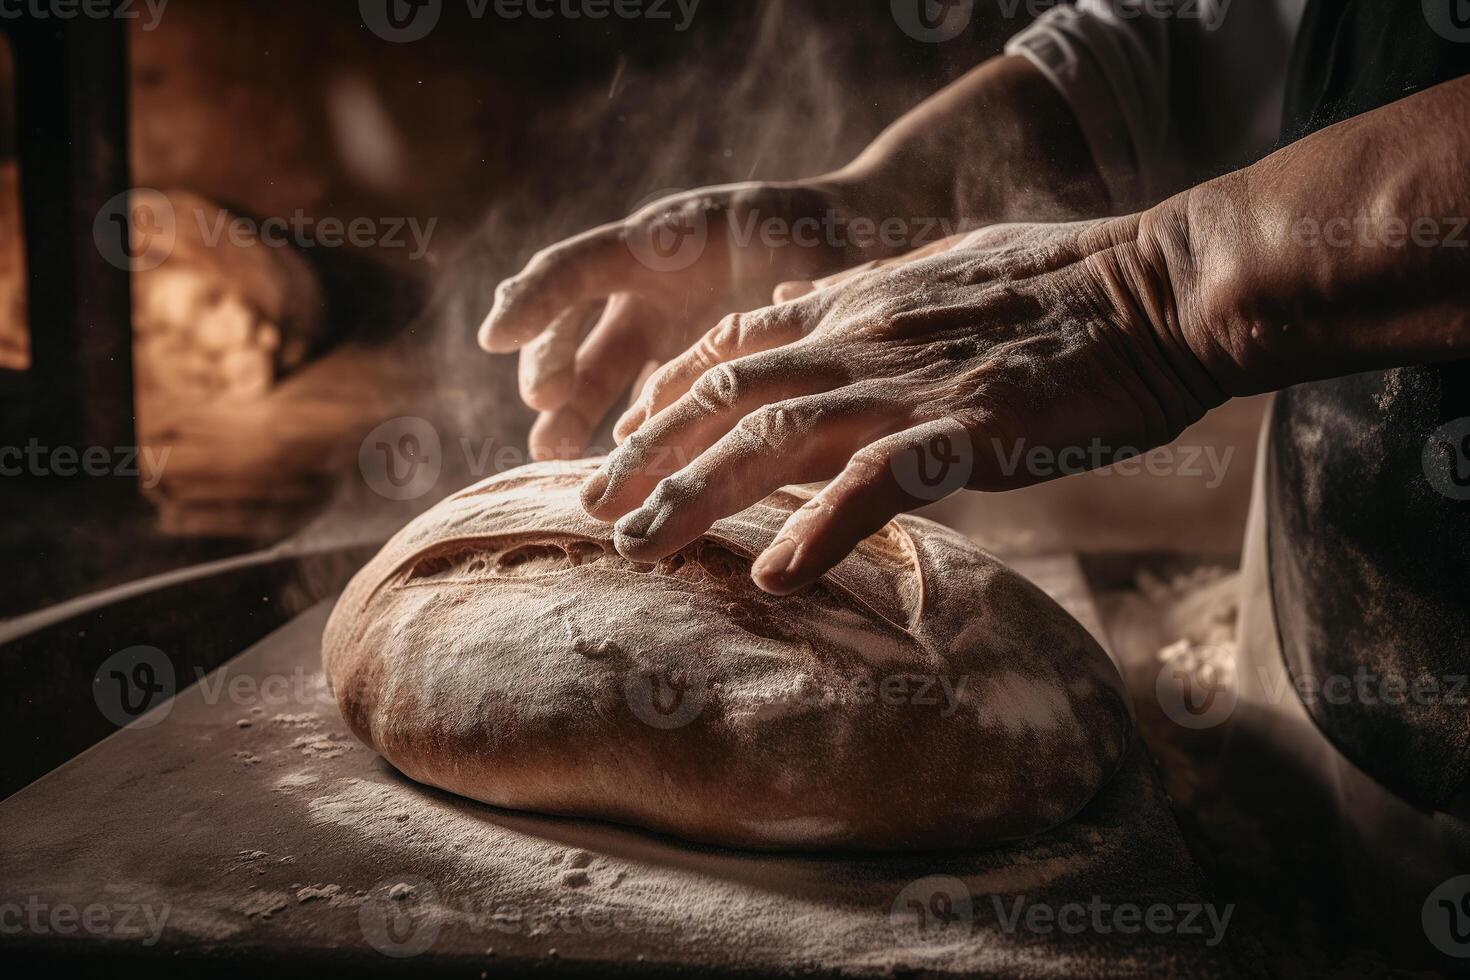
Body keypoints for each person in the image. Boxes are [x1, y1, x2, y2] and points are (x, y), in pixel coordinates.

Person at [480, 0, 1470, 958]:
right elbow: (1242, 28)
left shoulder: (1159, 293)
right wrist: (879, 208)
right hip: (1325, 631)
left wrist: (1159, 287)